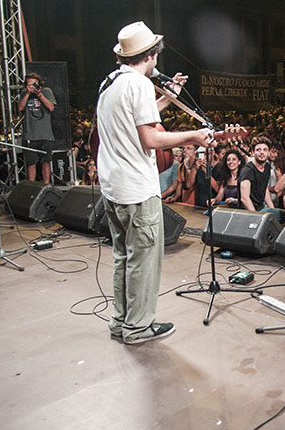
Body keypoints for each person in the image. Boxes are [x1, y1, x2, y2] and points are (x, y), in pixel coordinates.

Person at [97, 21, 227, 345]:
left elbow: (134, 120)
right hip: (137, 191)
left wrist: (168, 99)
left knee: (124, 257)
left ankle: (120, 322)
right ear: (151, 55)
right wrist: (195, 135)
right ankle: (138, 328)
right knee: (143, 262)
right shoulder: (139, 85)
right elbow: (151, 138)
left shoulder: (110, 84)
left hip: (113, 189)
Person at [18, 72, 56, 182]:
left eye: (34, 84)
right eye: (30, 84)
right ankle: (32, 186)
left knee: (45, 162)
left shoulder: (46, 91)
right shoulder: (24, 93)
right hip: (30, 134)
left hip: (45, 134)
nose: (32, 87)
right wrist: (27, 94)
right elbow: (20, 108)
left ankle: (46, 185)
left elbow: (51, 107)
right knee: (31, 163)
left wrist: (39, 94)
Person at [239, 136, 276, 213]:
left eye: (265, 150)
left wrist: (272, 209)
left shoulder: (267, 167)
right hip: (248, 212)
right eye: (258, 150)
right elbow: (244, 198)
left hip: (261, 208)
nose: (262, 152)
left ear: (268, 152)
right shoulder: (247, 171)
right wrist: (256, 216)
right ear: (253, 152)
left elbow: (264, 189)